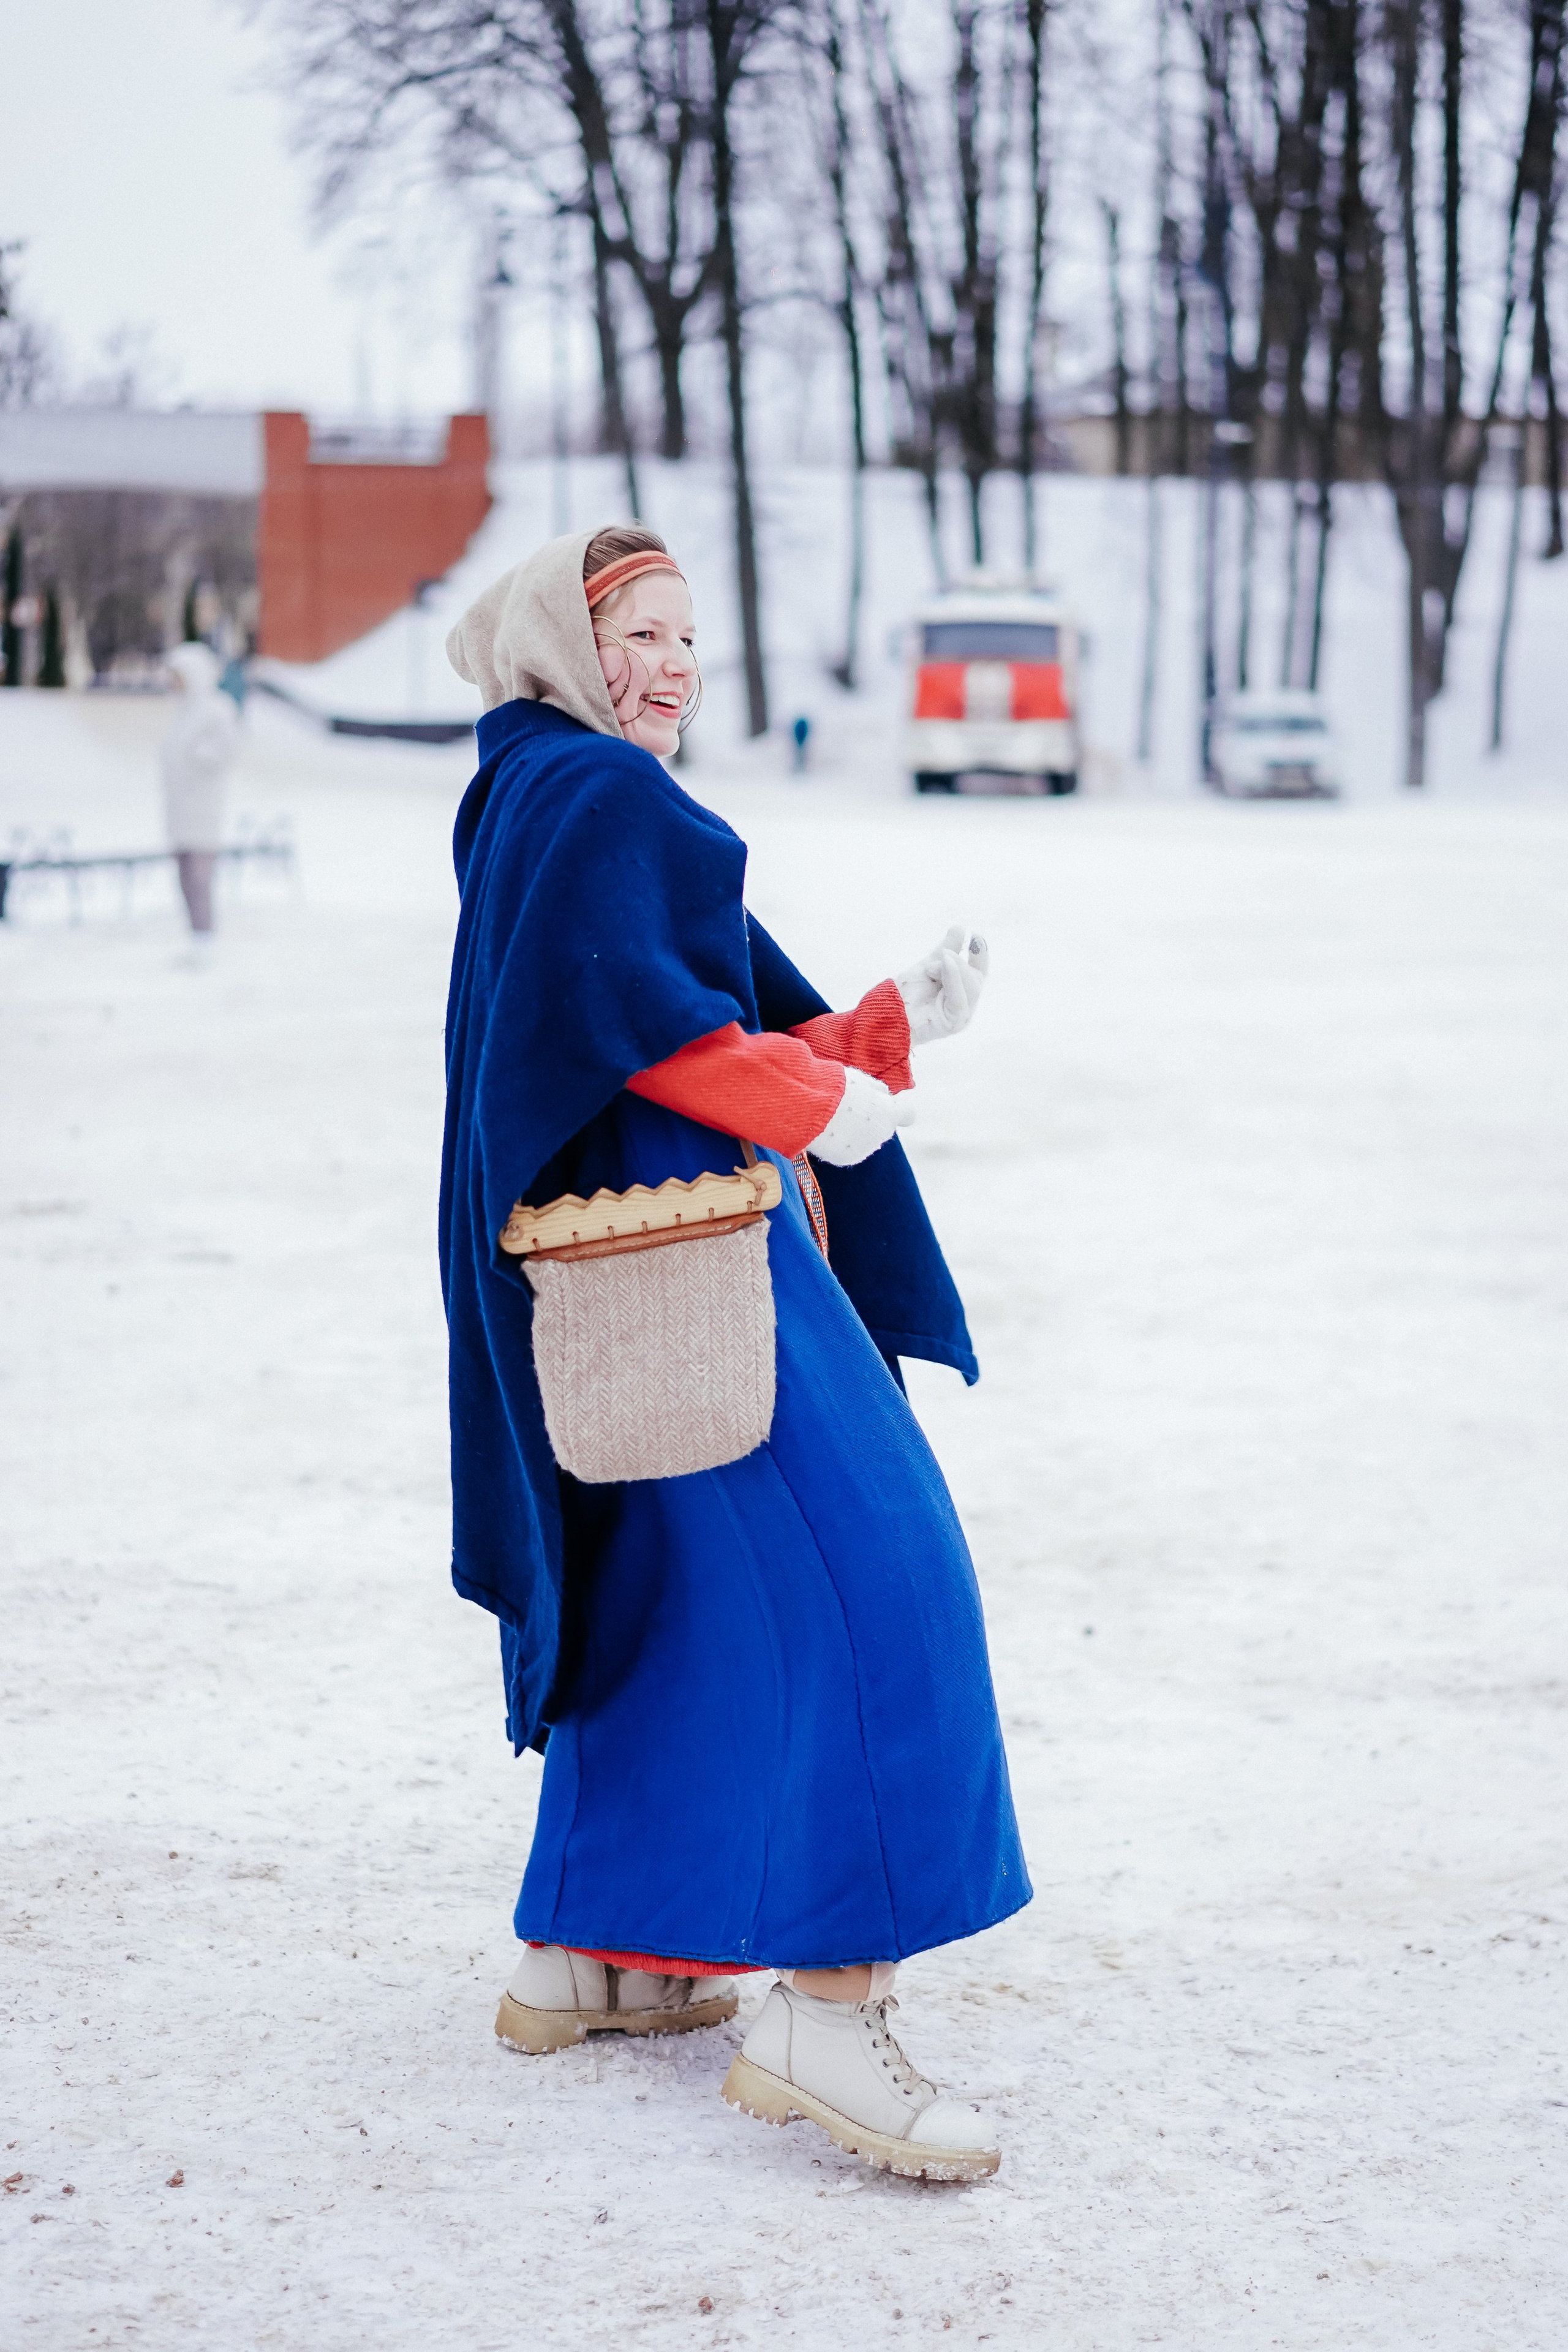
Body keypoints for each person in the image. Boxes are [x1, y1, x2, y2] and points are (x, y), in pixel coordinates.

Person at [440, 526, 1030, 2183]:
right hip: (698, 1260)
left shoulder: (532, 789)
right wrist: (819, 1099)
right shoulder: (598, 795)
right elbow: (659, 1032)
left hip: (603, 1274)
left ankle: (601, 1949)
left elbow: (653, 1018)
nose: (676, 665)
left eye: (689, 634)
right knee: (889, 1580)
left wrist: (879, 1028)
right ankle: (830, 2006)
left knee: (661, 1586)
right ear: (566, 645)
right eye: (638, 632)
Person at [160, 641, 239, 941]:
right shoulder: (181, 713)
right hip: (179, 811)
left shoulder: (217, 709)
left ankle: (205, 938)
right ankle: (194, 936)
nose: (174, 683)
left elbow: (225, 752)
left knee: (200, 879)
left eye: (179, 676)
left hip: (204, 812)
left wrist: (195, 756)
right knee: (184, 878)